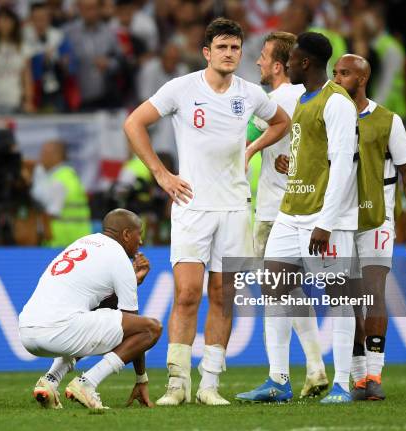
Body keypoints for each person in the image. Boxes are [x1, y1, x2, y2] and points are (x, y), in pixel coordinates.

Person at [124, 17, 290, 406]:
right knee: (186, 294)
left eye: (235, 48)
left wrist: (252, 149)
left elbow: (282, 122)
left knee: (223, 294)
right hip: (191, 205)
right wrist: (162, 174)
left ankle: (209, 384)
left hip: (234, 207)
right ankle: (176, 384)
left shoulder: (250, 94)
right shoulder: (182, 89)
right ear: (206, 52)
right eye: (222, 47)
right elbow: (134, 123)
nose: (230, 54)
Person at [259, 32, 359, 404]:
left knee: (338, 296)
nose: (286, 65)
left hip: (323, 215)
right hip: (291, 210)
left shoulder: (337, 103)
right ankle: (277, 380)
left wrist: (327, 222)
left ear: (306, 63)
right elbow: (316, 157)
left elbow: (344, 166)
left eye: (293, 59)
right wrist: (292, 165)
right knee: (274, 284)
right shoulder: (303, 100)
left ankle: (343, 383)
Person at [235, 31, 328, 403]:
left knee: (276, 294)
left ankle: (279, 377)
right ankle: (318, 367)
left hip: (276, 213)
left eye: (263, 56)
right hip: (314, 210)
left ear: (278, 64)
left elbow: (241, 145)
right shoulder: (312, 99)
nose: (257, 62)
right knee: (293, 292)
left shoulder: (270, 103)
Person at [332, 54, 406, 401]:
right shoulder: (327, 117)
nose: (338, 78)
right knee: (346, 297)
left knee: (372, 291)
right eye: (335, 72)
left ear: (362, 78)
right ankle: (357, 378)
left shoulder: (387, 120)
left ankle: (373, 375)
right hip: (337, 220)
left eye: (345, 73)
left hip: (376, 217)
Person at [19, 208, 162, 410]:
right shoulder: (119, 257)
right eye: (139, 235)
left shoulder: (83, 243)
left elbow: (103, 311)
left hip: (26, 331)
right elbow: (132, 326)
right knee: (151, 328)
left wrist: (134, 281)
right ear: (126, 234)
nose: (141, 242)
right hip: (58, 330)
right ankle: (87, 383)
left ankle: (50, 381)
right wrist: (141, 379)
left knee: (89, 321)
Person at [30, 140, 91, 248]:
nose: (41, 158)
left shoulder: (58, 181)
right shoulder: (69, 175)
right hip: (78, 238)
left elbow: (51, 213)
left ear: (56, 155)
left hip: (60, 241)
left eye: (44, 154)